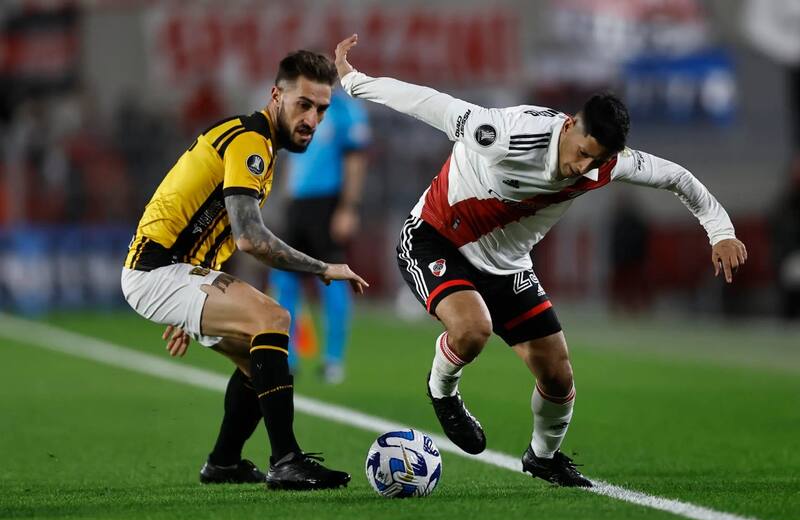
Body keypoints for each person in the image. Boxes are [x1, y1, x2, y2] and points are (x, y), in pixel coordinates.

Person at [334, 34, 747, 487]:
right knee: (472, 330)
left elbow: (676, 177)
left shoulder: (607, 163)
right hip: (435, 240)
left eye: (599, 160)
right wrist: (356, 83)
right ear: (570, 125)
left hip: (508, 265)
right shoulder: (505, 133)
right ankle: (442, 391)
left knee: (558, 375)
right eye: (583, 152)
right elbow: (428, 102)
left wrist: (720, 230)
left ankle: (543, 457)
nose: (584, 166)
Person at [121, 50, 368, 490]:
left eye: (322, 109)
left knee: (264, 363)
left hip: (175, 271)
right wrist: (322, 267)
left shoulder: (259, 142)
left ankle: (224, 463)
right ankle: (286, 460)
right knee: (274, 318)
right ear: (276, 96)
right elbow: (251, 238)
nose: (313, 119)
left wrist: (193, 301)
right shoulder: (251, 142)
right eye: (304, 105)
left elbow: (208, 223)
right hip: (157, 269)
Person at [271, 87, 370, 383]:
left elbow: (355, 161)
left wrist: (348, 208)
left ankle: (333, 360)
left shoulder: (345, 112)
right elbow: (291, 160)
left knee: (333, 279)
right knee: (284, 279)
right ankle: (288, 357)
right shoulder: (299, 111)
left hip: (328, 204)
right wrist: (286, 199)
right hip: (297, 206)